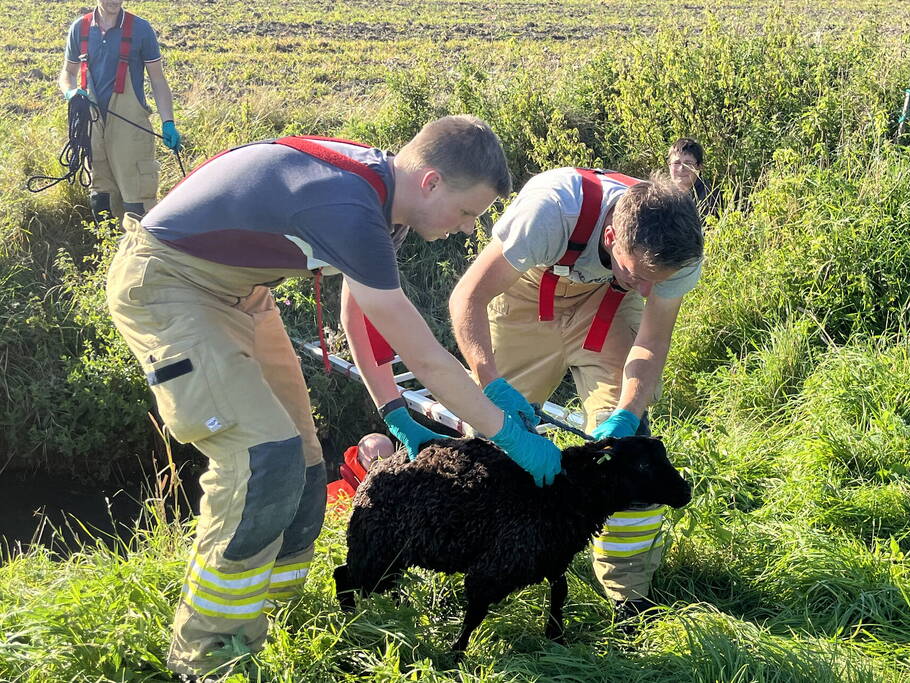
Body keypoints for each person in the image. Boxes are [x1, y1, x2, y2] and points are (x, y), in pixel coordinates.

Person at [105, 115, 562, 679]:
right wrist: (509, 436)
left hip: (243, 294)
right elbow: (424, 357)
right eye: (468, 212)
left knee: (300, 460)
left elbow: (358, 309)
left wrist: (395, 410)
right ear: (432, 182)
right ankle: (207, 658)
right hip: (171, 285)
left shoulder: (381, 193)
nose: (469, 229)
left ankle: (278, 615)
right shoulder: (348, 208)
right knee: (260, 458)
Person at [448, 167, 704, 620]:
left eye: (657, 282)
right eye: (640, 274)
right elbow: (467, 298)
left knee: (631, 456)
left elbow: (652, 340)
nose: (649, 290)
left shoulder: (678, 255)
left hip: (606, 308)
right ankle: (472, 568)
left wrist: (626, 413)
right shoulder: (551, 211)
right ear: (609, 236)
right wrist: (491, 385)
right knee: (488, 443)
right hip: (527, 295)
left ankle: (630, 596)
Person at [57, 0, 179, 222]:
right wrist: (70, 92)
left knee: (137, 197)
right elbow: (68, 73)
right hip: (92, 124)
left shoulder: (141, 29)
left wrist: (168, 122)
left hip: (130, 124)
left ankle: (141, 252)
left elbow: (158, 80)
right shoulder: (80, 28)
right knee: (101, 195)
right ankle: (108, 252)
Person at [667, 137, 720, 218]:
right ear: (669, 166)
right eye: (676, 163)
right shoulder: (661, 193)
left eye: (688, 163)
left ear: (699, 166)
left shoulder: (709, 195)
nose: (681, 168)